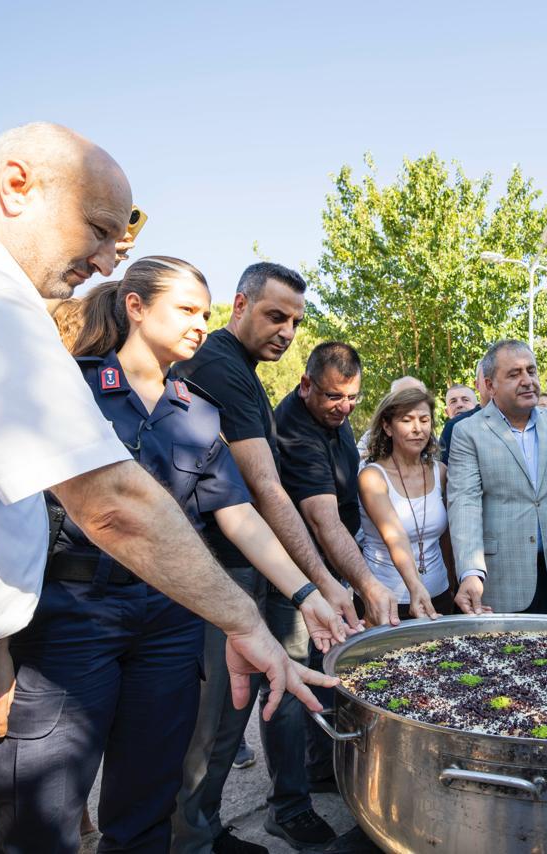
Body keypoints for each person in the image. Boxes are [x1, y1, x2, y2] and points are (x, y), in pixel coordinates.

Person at [0, 123, 325, 852]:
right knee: (38, 817)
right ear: (17, 185)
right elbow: (113, 506)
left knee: (143, 798)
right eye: (96, 230)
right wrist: (248, 623)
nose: (102, 262)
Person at [0, 258, 346, 853]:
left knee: (148, 804)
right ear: (135, 306)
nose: (201, 324)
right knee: (38, 814)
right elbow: (4, 511)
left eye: (205, 313)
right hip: (72, 616)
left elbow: (238, 513)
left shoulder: (196, 412)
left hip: (168, 624)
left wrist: (308, 594)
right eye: (187, 310)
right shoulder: (72, 387)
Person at [174, 266, 392, 853]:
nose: (286, 330)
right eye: (275, 316)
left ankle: (204, 828)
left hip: (251, 565)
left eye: (295, 321)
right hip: (222, 567)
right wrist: (316, 586)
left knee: (233, 713)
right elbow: (266, 493)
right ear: (239, 303)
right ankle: (193, 837)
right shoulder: (220, 365)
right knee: (219, 717)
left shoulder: (245, 374)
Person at [272, 341, 390, 853]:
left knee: (329, 678)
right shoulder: (296, 428)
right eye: (334, 397)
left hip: (328, 576)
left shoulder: (336, 425)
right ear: (305, 385)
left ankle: (322, 770)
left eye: (353, 398)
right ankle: (288, 806)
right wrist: (362, 582)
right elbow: (320, 518)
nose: (344, 407)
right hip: (296, 578)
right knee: (288, 685)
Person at [448, 339, 547, 614]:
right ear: (490, 386)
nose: (528, 380)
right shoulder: (468, 433)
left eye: (531, 370)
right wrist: (470, 572)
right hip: (499, 583)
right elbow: (464, 505)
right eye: (515, 374)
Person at [359, 387, 456, 619]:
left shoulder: (440, 472)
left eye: (424, 420)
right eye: (407, 420)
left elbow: (447, 538)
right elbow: (394, 536)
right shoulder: (372, 477)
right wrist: (415, 587)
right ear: (387, 426)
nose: (417, 429)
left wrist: (453, 584)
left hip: (438, 594)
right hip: (387, 601)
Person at [356, 375, 426, 457]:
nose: (417, 429)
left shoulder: (431, 442)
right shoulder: (371, 438)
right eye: (404, 398)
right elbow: (358, 462)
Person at [440, 359, 491, 463]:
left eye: (465, 400)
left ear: (476, 404)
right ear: (446, 412)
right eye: (453, 402)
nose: (459, 405)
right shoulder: (450, 428)